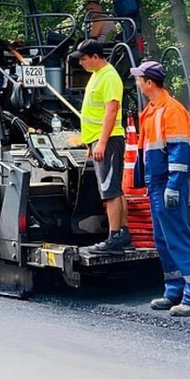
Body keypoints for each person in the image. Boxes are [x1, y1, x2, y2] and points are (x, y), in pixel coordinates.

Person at [133, 61, 190, 317]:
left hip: (167, 183)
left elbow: (179, 150)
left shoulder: (171, 110)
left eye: (139, 78)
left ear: (149, 83)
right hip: (158, 184)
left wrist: (174, 186)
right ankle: (174, 289)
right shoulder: (152, 110)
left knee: (177, 237)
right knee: (163, 239)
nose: (137, 82)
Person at [69, 38, 129, 252]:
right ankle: (123, 233)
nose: (81, 63)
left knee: (109, 190)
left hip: (109, 140)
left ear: (96, 57)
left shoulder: (110, 77)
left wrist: (101, 143)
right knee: (114, 188)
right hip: (100, 139)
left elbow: (111, 111)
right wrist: (91, 143)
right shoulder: (97, 75)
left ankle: (114, 237)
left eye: (84, 59)